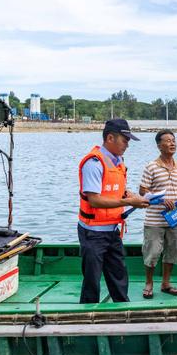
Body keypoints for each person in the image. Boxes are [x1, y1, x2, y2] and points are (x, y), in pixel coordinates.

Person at [77, 119, 150, 303]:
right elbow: (94, 199)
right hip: (93, 232)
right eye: (125, 140)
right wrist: (127, 201)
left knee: (119, 274)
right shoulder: (94, 163)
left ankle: (122, 311)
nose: (127, 145)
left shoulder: (118, 163)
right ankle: (86, 317)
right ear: (110, 138)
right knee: (92, 279)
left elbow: (115, 190)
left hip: (112, 231)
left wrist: (131, 196)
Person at [139, 129, 177, 299]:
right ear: (159, 145)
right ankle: (149, 283)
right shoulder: (151, 166)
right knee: (152, 252)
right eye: (167, 141)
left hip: (175, 218)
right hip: (154, 219)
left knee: (173, 251)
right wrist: (161, 200)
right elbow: (142, 191)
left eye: (173, 140)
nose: (172, 143)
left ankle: (166, 283)